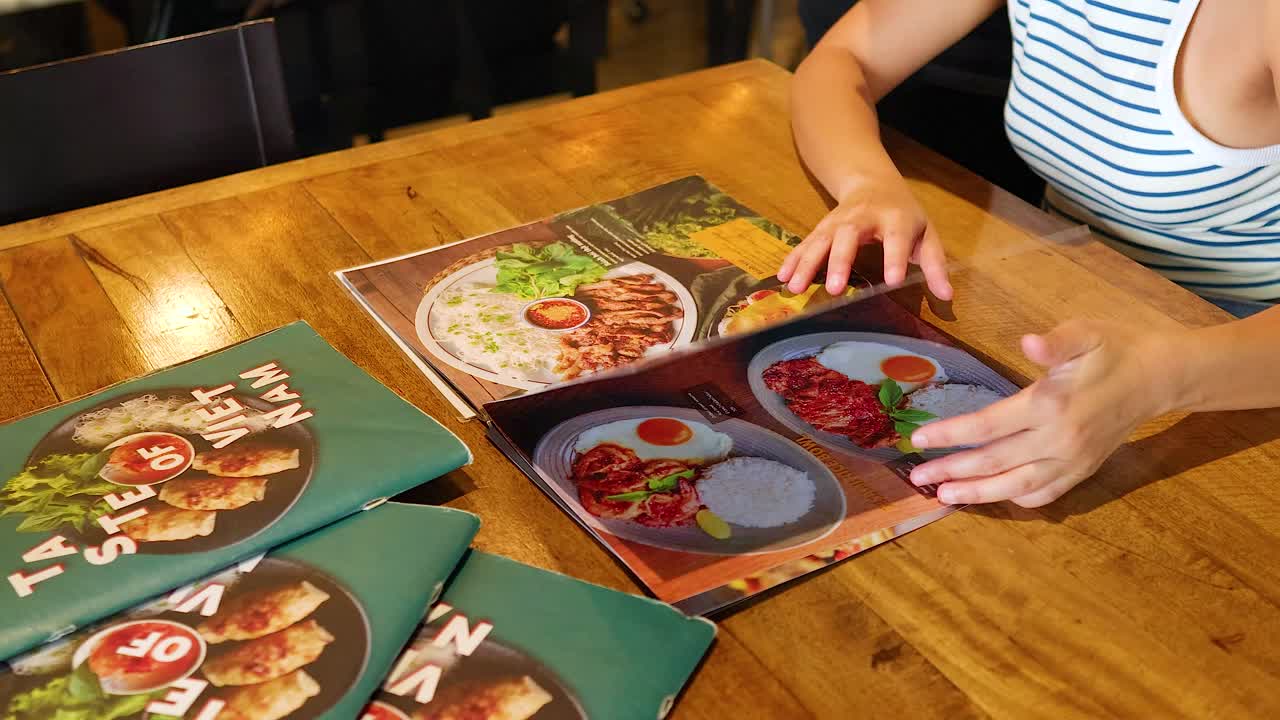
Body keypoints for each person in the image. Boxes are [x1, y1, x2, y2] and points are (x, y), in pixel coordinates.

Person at [782, 0, 1280, 507]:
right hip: (1061, 295)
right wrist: (867, 183)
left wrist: (1162, 377)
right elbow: (845, 57)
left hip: (1234, 361)